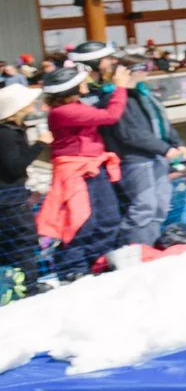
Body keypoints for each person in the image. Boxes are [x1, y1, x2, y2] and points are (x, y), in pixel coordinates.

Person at [38, 65, 123, 279]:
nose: (87, 83)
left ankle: (98, 259)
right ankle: (72, 267)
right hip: (76, 170)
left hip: (93, 165)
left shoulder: (75, 105)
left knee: (108, 217)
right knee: (80, 220)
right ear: (71, 88)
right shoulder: (63, 111)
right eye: (82, 81)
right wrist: (120, 88)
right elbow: (111, 115)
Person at [99, 56, 175, 250]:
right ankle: (132, 248)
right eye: (144, 67)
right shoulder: (114, 98)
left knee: (160, 205)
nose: (148, 71)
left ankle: (149, 247)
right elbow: (129, 133)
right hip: (134, 159)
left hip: (154, 155)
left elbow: (160, 122)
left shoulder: (143, 95)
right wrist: (164, 148)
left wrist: (175, 142)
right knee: (144, 206)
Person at [0, 83, 41, 300]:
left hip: (9, 198)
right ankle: (29, 289)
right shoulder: (6, 135)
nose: (33, 104)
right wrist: (40, 145)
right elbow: (14, 167)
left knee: (9, 246)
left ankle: (14, 289)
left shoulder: (10, 132)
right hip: (10, 200)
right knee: (22, 243)